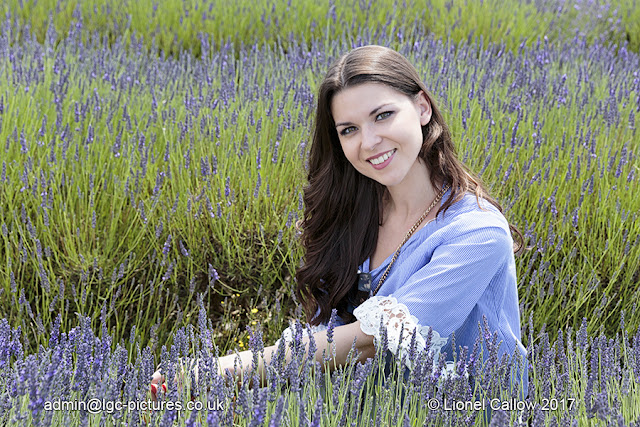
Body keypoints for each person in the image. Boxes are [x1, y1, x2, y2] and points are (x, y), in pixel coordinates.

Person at [151, 45, 529, 415]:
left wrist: (225, 370)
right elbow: (327, 333)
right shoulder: (358, 217)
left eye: (383, 115)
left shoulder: (478, 232)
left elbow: (373, 341)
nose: (368, 141)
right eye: (349, 129)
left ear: (422, 108)